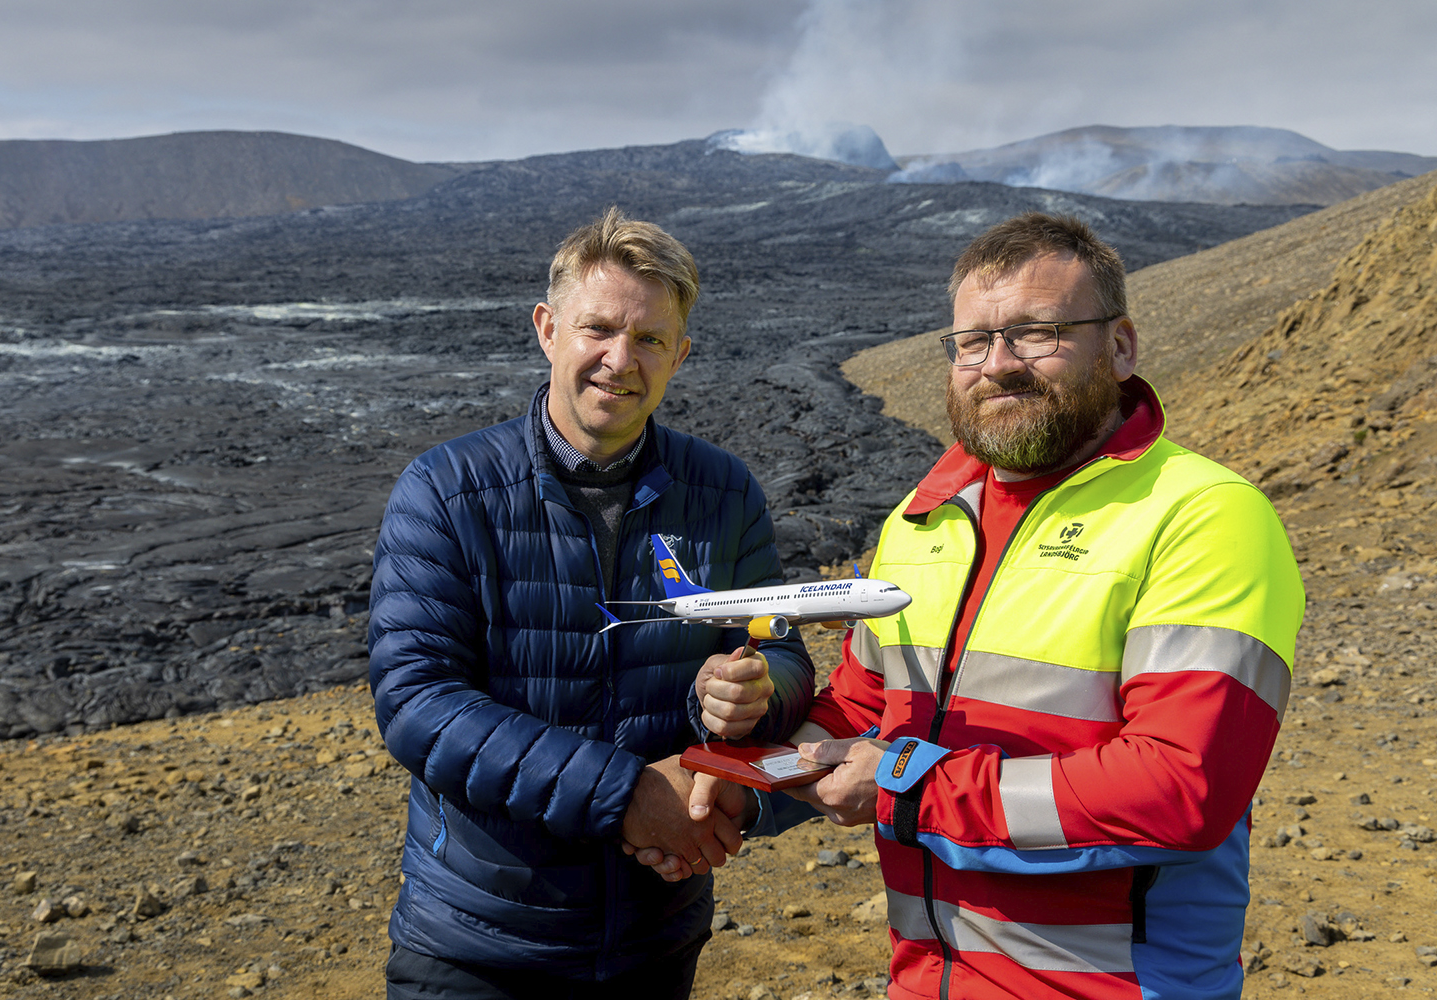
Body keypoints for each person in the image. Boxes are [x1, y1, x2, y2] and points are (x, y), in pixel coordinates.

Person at [739, 212, 1302, 999]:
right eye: (972, 342)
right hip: (926, 979)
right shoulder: (923, 517)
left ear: (1122, 346)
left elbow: (1181, 789)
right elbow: (860, 713)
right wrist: (735, 760)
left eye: (1038, 333)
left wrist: (912, 791)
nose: (997, 365)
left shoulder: (1203, 515)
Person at [367, 206, 814, 999]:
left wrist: (754, 694)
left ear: (681, 353)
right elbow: (417, 703)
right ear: (547, 329)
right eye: (597, 329)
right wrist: (628, 796)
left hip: (655, 935)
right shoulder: (445, 491)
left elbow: (780, 651)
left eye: (648, 339)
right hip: (481, 945)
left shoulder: (725, 492)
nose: (619, 359)